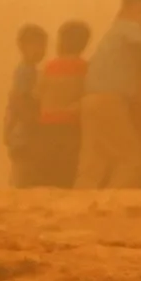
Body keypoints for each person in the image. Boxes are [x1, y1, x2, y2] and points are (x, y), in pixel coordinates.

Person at [75, 0, 141, 189]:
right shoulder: (131, 28)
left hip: (89, 100)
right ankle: (116, 201)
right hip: (110, 101)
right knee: (130, 159)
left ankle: (81, 201)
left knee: (93, 162)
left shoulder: (113, 31)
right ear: (137, 6)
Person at [26, 19, 91, 188]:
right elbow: (88, 95)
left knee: (47, 171)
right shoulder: (85, 68)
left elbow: (36, 95)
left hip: (47, 125)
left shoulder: (49, 67)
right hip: (71, 126)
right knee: (67, 171)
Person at [2, 24, 49, 185]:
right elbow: (19, 100)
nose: (40, 51)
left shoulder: (32, 71)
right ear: (21, 46)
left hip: (23, 132)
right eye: (35, 45)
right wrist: (32, 121)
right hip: (23, 133)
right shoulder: (24, 71)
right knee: (22, 170)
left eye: (43, 46)